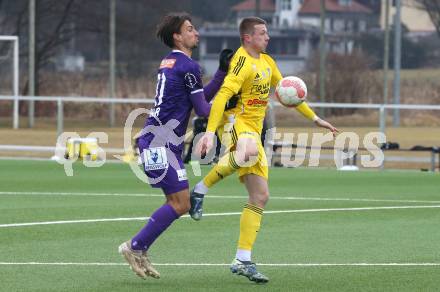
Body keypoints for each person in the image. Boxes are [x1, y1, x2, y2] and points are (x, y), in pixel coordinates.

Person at [191, 17, 338, 283]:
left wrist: (315, 119)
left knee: (260, 196)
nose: (267, 37)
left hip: (254, 131)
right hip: (236, 122)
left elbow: (288, 93)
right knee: (245, 151)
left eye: (267, 33)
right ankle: (200, 189)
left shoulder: (267, 62)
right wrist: (210, 133)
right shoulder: (241, 62)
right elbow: (222, 96)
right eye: (262, 33)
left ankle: (242, 258)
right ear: (248, 37)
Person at [118, 12, 233, 280]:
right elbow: (204, 108)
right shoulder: (188, 66)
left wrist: (221, 74)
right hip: (161, 142)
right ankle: (133, 246)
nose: (197, 33)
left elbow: (197, 100)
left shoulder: (170, 62)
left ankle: (140, 247)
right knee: (181, 204)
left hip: (159, 140)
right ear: (177, 36)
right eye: (190, 29)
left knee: (176, 202)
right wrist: (229, 100)